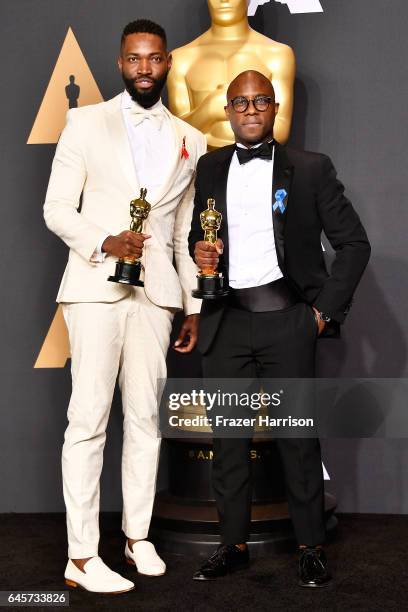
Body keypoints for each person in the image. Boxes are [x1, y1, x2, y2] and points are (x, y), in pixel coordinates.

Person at [189, 70, 371, 587]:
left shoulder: (311, 169)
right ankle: (233, 545)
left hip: (288, 321)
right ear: (227, 110)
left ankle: (311, 546)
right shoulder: (209, 166)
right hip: (225, 322)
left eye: (259, 100)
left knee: (297, 441)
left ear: (274, 107)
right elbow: (195, 237)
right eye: (240, 102)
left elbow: (354, 245)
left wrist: (322, 313)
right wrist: (199, 253)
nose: (249, 109)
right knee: (227, 442)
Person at [44, 19, 206, 594]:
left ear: (166, 65)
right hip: (94, 287)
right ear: (120, 64)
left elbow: (186, 231)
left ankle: (138, 538)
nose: (144, 68)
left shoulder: (192, 138)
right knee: (87, 421)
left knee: (144, 420)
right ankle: (82, 556)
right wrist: (105, 241)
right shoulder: (85, 122)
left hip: (157, 295)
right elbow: (57, 208)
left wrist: (190, 303)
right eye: (134, 59)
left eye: (154, 59)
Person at [167, 0, 295, 148]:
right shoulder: (181, 59)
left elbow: (281, 129)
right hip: (199, 168)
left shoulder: (278, 55)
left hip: (261, 166)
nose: (224, 1)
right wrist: (208, 111)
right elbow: (176, 134)